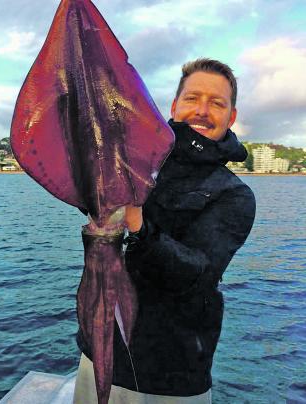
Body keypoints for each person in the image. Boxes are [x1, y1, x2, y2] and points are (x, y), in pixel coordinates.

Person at [74, 58, 256, 403]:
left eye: (216, 103)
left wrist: (139, 225)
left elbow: (197, 273)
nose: (202, 110)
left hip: (171, 378)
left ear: (231, 117)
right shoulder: (132, 163)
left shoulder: (233, 195)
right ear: (174, 106)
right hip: (97, 352)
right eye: (192, 99)